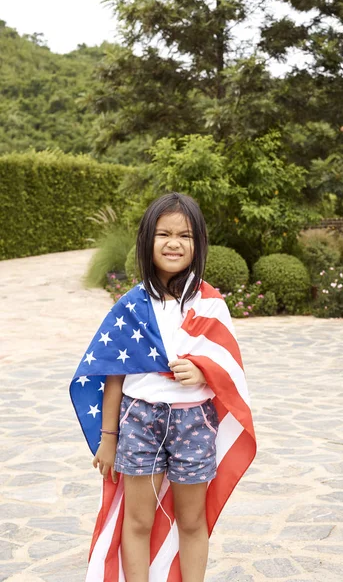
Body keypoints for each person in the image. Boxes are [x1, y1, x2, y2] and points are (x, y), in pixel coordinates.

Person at [70, 192, 256, 582]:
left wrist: (203, 371)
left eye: (184, 235)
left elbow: (227, 364)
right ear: (147, 242)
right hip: (139, 420)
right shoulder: (131, 306)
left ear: (198, 243)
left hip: (194, 422)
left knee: (191, 520)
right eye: (163, 234)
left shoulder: (210, 304)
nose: (173, 243)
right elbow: (113, 376)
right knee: (137, 520)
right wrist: (108, 437)